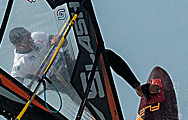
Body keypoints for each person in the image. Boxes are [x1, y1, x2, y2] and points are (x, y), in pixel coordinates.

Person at [8, 27, 159, 98]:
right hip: (63, 83)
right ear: (18, 45)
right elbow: (13, 87)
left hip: (71, 65)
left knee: (106, 55)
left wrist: (58, 40)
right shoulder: (20, 65)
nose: (31, 40)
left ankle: (138, 87)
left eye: (29, 36)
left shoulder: (37, 36)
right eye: (27, 40)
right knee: (90, 107)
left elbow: (62, 42)